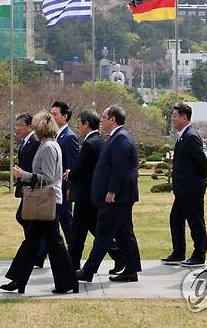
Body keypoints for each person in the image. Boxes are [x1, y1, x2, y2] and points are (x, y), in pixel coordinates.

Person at [1, 111, 78, 294]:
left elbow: (50, 177)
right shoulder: (47, 145)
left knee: (53, 243)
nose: (33, 129)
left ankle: (67, 282)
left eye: (35, 126)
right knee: (34, 241)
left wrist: (24, 175)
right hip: (45, 201)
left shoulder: (49, 147)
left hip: (48, 201)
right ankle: (19, 279)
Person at [77, 106, 142, 283]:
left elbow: (119, 169)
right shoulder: (118, 137)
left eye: (104, 117)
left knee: (103, 232)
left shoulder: (120, 139)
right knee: (124, 232)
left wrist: (112, 191)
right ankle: (131, 269)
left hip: (116, 196)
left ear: (113, 119)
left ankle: (88, 271)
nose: (102, 120)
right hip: (121, 195)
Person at [65, 110, 124, 272]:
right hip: (92, 194)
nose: (78, 126)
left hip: (84, 195)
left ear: (86, 124)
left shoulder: (89, 144)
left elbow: (81, 169)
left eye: (80, 123)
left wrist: (70, 173)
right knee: (96, 230)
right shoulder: (101, 141)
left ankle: (72, 265)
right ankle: (119, 255)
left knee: (78, 233)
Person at [161, 103, 207, 267]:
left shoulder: (190, 136)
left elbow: (202, 162)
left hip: (192, 188)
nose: (172, 119)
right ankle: (178, 252)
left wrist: (199, 181)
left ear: (184, 117)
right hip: (182, 189)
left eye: (175, 116)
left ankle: (199, 254)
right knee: (176, 219)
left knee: (195, 221)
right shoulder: (182, 135)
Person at [33, 101, 78, 268]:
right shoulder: (55, 138)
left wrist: (70, 189)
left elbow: (71, 167)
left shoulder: (70, 137)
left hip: (61, 191)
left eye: (55, 114)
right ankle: (40, 257)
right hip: (54, 193)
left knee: (61, 228)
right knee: (55, 229)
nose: (52, 117)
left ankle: (72, 258)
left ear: (65, 117)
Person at [14, 113, 41, 237]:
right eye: (16, 125)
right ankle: (32, 245)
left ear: (30, 126)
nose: (17, 128)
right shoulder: (24, 142)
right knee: (24, 218)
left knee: (23, 217)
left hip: (32, 186)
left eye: (21, 125)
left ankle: (33, 246)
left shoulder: (35, 142)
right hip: (25, 186)